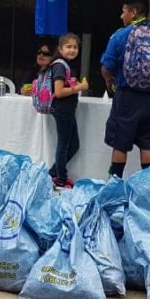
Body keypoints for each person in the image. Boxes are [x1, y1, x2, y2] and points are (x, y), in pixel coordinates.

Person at [100, 0, 150, 178]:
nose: (121, 16)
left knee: (120, 144)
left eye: (123, 11)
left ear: (133, 13)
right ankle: (147, 189)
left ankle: (115, 185)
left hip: (126, 97)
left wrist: (110, 82)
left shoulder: (120, 36)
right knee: (148, 145)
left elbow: (106, 67)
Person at [48, 33, 89, 189]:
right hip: (62, 110)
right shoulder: (59, 66)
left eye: (75, 47)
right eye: (68, 46)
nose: (72, 50)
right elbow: (58, 92)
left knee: (74, 145)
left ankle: (53, 173)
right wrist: (79, 87)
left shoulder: (66, 65)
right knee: (64, 145)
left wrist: (74, 85)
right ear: (60, 49)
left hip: (68, 110)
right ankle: (60, 178)